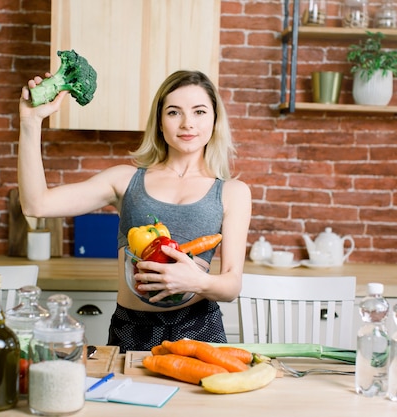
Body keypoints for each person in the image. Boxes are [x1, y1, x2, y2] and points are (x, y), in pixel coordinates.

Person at [18, 69, 251, 352]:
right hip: (132, 330)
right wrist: (30, 123)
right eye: (174, 112)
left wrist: (197, 281)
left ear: (214, 120)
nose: (188, 123)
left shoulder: (232, 192)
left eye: (200, 112)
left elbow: (231, 285)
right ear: (160, 122)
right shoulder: (125, 180)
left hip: (199, 329)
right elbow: (36, 203)